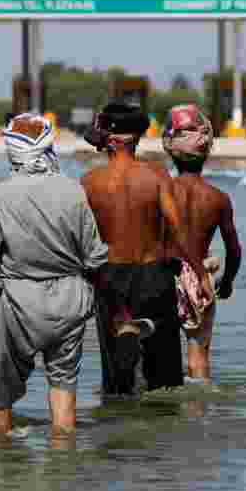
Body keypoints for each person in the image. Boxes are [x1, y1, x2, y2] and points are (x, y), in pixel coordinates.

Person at [0, 113, 109, 436]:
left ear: (11, 153)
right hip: (72, 300)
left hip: (20, 303)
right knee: (63, 385)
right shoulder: (73, 192)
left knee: (0, 394)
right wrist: (118, 313)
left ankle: (5, 465)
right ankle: (64, 465)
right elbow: (96, 259)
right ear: (47, 148)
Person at [80, 102, 209, 396]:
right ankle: (163, 439)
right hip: (153, 277)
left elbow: (80, 240)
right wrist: (199, 274)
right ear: (137, 139)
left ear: (110, 141)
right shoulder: (157, 176)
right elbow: (178, 230)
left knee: (118, 384)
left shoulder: (89, 182)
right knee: (164, 384)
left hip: (110, 280)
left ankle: (117, 432)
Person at [161, 104, 242, 385]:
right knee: (198, 357)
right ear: (206, 151)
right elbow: (234, 248)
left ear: (170, 149)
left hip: (163, 274)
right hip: (199, 278)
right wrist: (228, 280)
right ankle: (199, 417)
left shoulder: (163, 190)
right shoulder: (217, 198)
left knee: (159, 354)